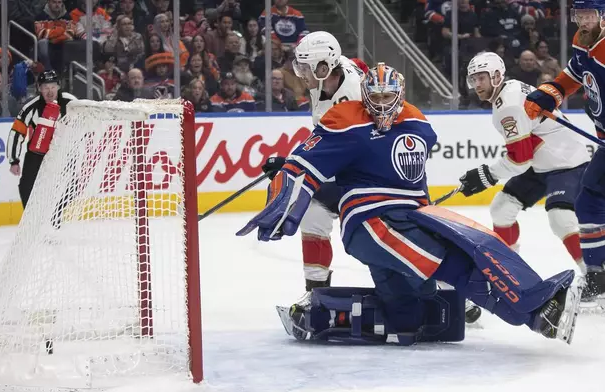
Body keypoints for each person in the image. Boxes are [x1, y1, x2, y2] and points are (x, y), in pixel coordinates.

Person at [237, 63, 582, 345]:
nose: (383, 102)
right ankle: (536, 314)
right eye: (375, 95)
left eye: (389, 95)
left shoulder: (417, 122)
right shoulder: (347, 120)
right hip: (373, 224)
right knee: (453, 262)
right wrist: (286, 188)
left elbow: (403, 178)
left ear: (401, 95)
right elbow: (307, 166)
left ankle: (343, 317)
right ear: (364, 95)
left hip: (411, 214)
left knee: (419, 306)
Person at [259, 31, 364, 306]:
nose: (300, 72)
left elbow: (340, 151)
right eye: (300, 66)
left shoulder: (350, 98)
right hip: (346, 173)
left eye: (306, 67)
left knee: (377, 240)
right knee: (313, 213)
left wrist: (292, 167)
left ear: (324, 66)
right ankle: (317, 293)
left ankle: (446, 290)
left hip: (367, 177)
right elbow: (323, 137)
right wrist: (293, 165)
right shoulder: (325, 79)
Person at [462, 52, 589, 276]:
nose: (477, 84)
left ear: (497, 76)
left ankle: (595, 277)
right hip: (542, 163)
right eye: (474, 79)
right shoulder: (509, 88)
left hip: (567, 161)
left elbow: (520, 160)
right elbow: (525, 155)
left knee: (560, 217)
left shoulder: (507, 106)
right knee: (502, 209)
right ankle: (508, 270)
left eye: (482, 77)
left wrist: (487, 175)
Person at [523, 0, 605, 302]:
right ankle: (598, 276)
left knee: (591, 200)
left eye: (590, 14)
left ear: (603, 16)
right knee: (589, 201)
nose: (583, 20)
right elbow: (572, 76)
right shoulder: (582, 42)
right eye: (579, 14)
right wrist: (550, 94)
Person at [7, 70, 77, 209]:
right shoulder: (31, 107)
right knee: (26, 185)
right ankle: (31, 218)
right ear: (39, 88)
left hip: (63, 153)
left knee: (72, 185)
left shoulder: (71, 102)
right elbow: (16, 132)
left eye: (52, 87)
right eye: (45, 87)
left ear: (58, 86)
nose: (50, 92)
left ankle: (55, 216)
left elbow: (87, 117)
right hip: (36, 154)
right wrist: (14, 160)